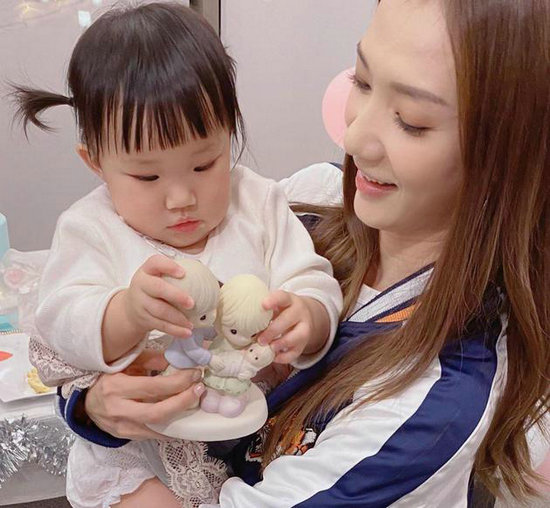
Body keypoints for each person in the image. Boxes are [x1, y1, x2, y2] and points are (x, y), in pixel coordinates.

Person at [30, 0, 548, 506]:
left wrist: (308, 323)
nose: (353, 137)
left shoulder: (431, 401)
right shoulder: (316, 197)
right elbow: (66, 333)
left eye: (411, 119)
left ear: (507, 149)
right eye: (362, 81)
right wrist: (94, 406)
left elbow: (308, 289)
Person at [13, 3, 343, 507]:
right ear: (95, 162)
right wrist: (125, 312)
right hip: (142, 444)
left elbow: (311, 276)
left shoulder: (259, 203)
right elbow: (63, 320)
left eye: (204, 164)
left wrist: (309, 317)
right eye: (147, 176)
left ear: (229, 132)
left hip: (252, 423)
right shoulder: (90, 228)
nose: (181, 198)